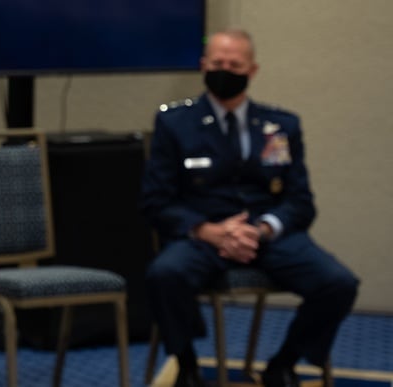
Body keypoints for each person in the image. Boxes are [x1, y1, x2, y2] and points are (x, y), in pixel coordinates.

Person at [141, 28, 358, 387]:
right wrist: (211, 231)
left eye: (235, 64)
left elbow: (300, 202)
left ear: (252, 70)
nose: (225, 69)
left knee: (338, 283)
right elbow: (155, 201)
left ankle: (284, 363)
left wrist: (260, 229)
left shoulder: (281, 126)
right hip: (202, 235)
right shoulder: (175, 123)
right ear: (203, 66)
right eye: (218, 63)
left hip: (267, 235)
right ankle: (188, 365)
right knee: (164, 275)